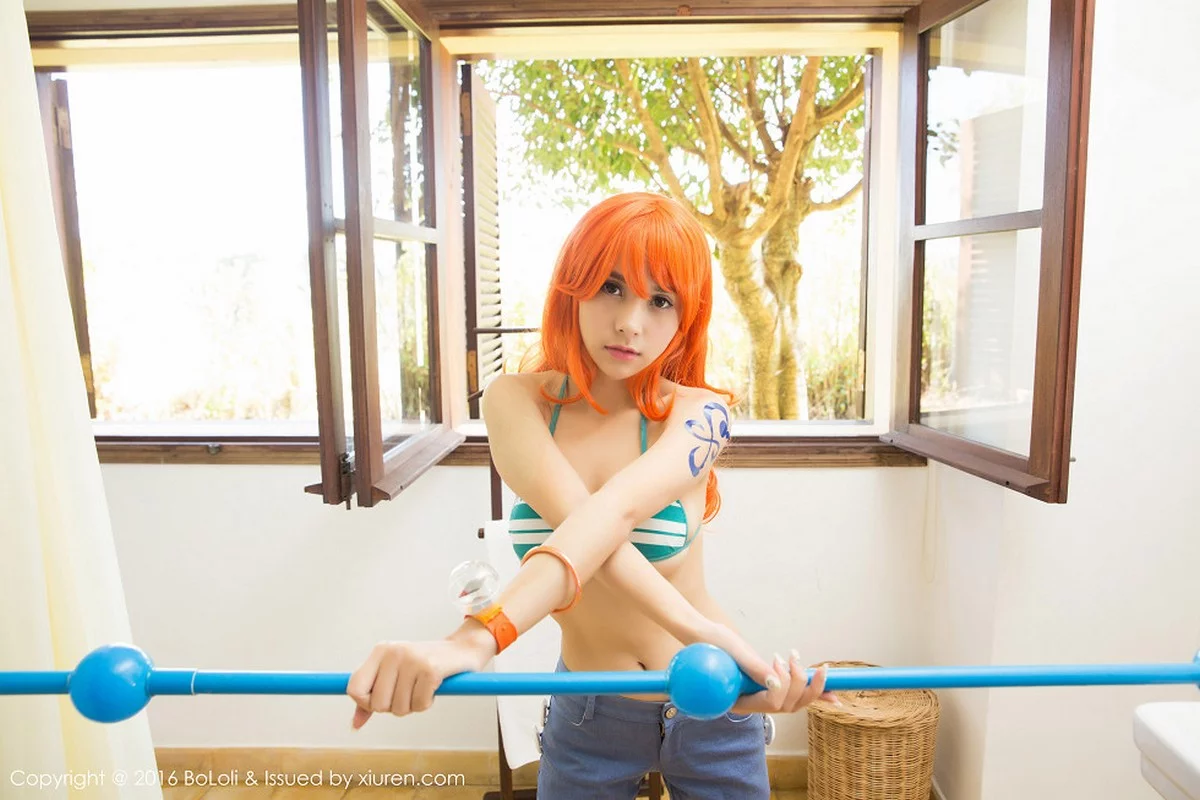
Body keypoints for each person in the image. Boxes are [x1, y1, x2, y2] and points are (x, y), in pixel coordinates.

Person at [347, 192, 834, 799]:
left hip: (712, 695)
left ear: (687, 316)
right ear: (572, 287)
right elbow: (590, 532)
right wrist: (473, 640)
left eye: (661, 300)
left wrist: (477, 638)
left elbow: (615, 513)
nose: (630, 321)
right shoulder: (515, 401)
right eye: (610, 287)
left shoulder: (702, 415)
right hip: (590, 711)